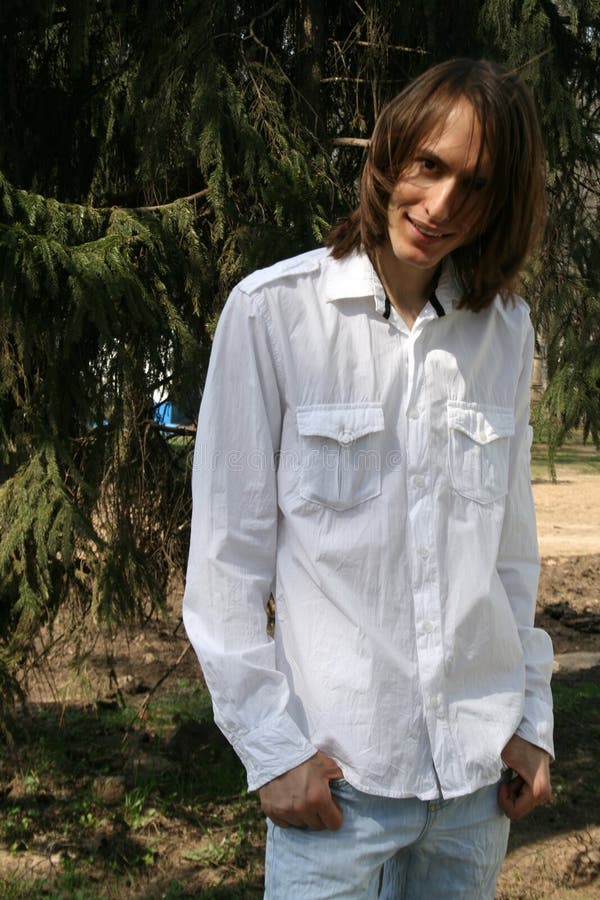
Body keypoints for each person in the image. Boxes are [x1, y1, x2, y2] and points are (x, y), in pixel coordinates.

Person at [183, 57, 554, 899]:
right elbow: (226, 566)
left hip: (473, 791)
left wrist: (532, 720)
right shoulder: (272, 314)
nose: (442, 205)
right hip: (338, 789)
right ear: (390, 156)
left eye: (477, 183)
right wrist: (272, 753)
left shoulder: (505, 331)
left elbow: (511, 556)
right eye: (430, 165)